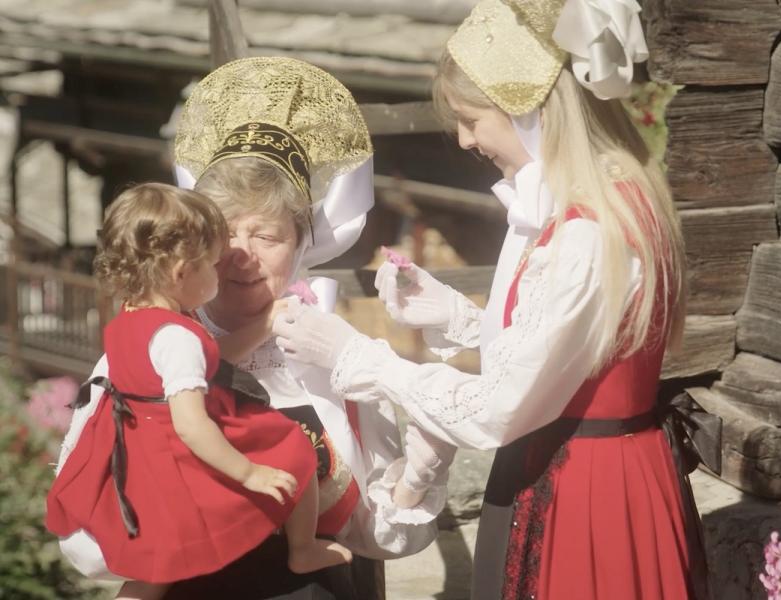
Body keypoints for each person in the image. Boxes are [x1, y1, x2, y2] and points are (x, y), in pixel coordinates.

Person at [273, 1, 714, 598]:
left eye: (472, 119)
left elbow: (499, 408)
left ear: (530, 110)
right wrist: (455, 316)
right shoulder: (606, 197)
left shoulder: (587, 230)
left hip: (584, 489)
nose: (463, 138)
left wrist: (357, 358)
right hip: (610, 467)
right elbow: (571, 352)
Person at [53, 57, 448, 600]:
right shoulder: (146, 354)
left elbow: (380, 536)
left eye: (266, 235)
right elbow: (91, 534)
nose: (240, 256)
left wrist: (415, 478)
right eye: (223, 234)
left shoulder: (335, 353)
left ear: (303, 242)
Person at [46, 183, 352, 600]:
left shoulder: (131, 317)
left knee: (154, 570)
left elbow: (208, 361)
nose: (222, 270)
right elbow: (192, 424)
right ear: (181, 273)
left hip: (138, 452)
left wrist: (261, 325)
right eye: (211, 264)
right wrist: (249, 472)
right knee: (293, 449)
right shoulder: (178, 337)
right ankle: (304, 549)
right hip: (177, 451)